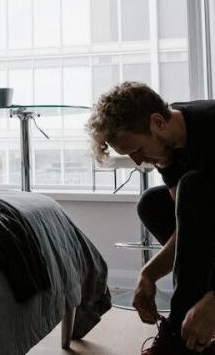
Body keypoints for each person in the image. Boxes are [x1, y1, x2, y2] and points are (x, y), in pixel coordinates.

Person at [86, 81, 215, 354]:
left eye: (136, 150)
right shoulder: (169, 154)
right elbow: (187, 231)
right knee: (152, 204)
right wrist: (148, 275)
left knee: (192, 187)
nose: (137, 161)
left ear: (157, 122)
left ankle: (181, 341)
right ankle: (194, 321)